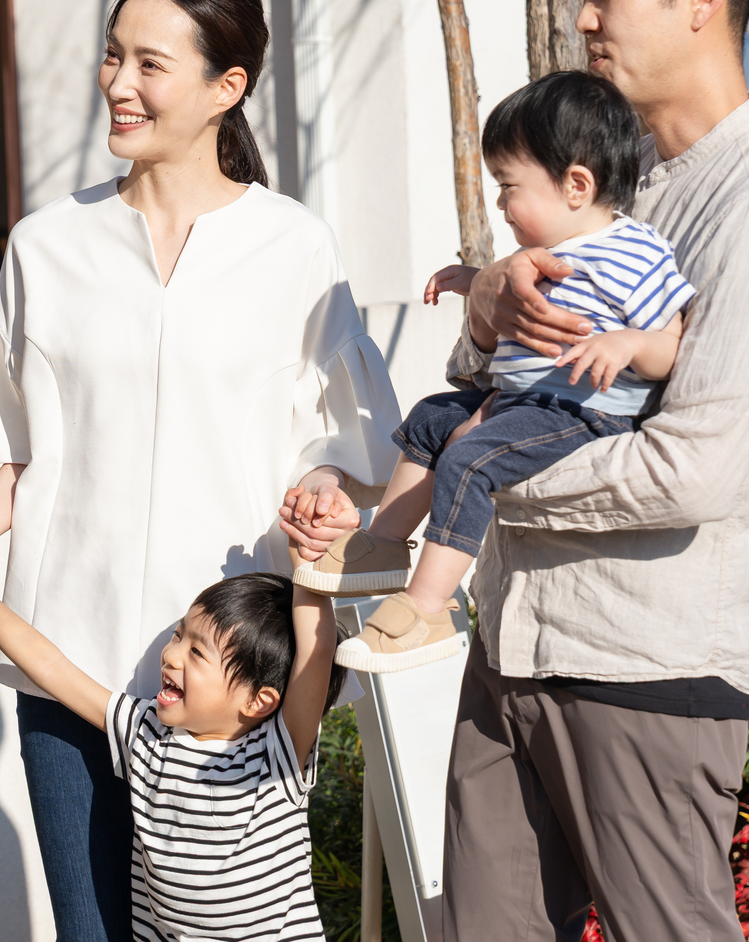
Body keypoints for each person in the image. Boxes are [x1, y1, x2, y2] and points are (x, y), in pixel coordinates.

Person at [284, 0, 749, 942]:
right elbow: (491, 392)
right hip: (515, 645)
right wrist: (488, 310)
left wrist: (474, 490)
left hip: (649, 664)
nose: (582, 16)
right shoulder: (603, 182)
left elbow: (693, 467)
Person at [0, 0, 401, 942]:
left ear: (226, 87)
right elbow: (33, 460)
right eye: (111, 56)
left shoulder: (293, 247)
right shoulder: (46, 246)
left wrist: (321, 496)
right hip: (68, 659)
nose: (117, 82)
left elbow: (341, 448)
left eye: (148, 63)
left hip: (226, 684)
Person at [292, 71, 694, 674]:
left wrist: (630, 342)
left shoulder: (632, 252)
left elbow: (673, 341)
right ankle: (384, 545)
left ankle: (427, 609)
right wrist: (476, 280)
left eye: (508, 187)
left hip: (582, 413)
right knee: (431, 418)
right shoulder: (544, 251)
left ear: (576, 186)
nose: (500, 204)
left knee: (470, 460)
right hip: (518, 400)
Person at [0, 553, 344, 942]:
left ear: (257, 701)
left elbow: (316, 655)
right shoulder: (145, 733)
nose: (172, 655)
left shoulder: (274, 757)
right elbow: (51, 667)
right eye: (179, 635)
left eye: (197, 653)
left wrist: (310, 568)